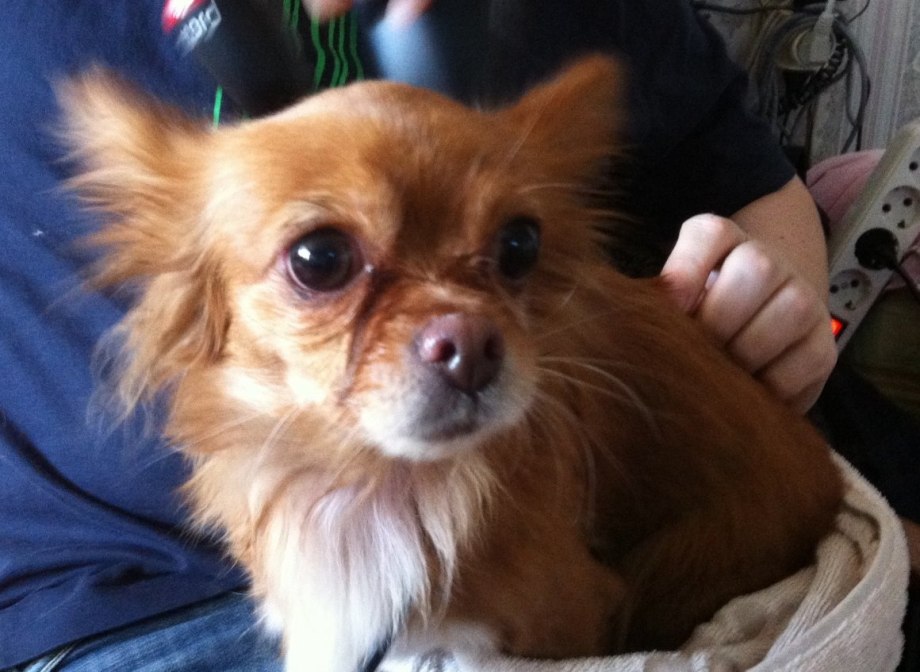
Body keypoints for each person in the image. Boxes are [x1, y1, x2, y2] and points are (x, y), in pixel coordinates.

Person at [0, 1, 838, 670]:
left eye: (512, 252)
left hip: (702, 544)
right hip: (126, 594)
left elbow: (749, 175)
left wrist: (783, 297)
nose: (457, 331)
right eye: (323, 261)